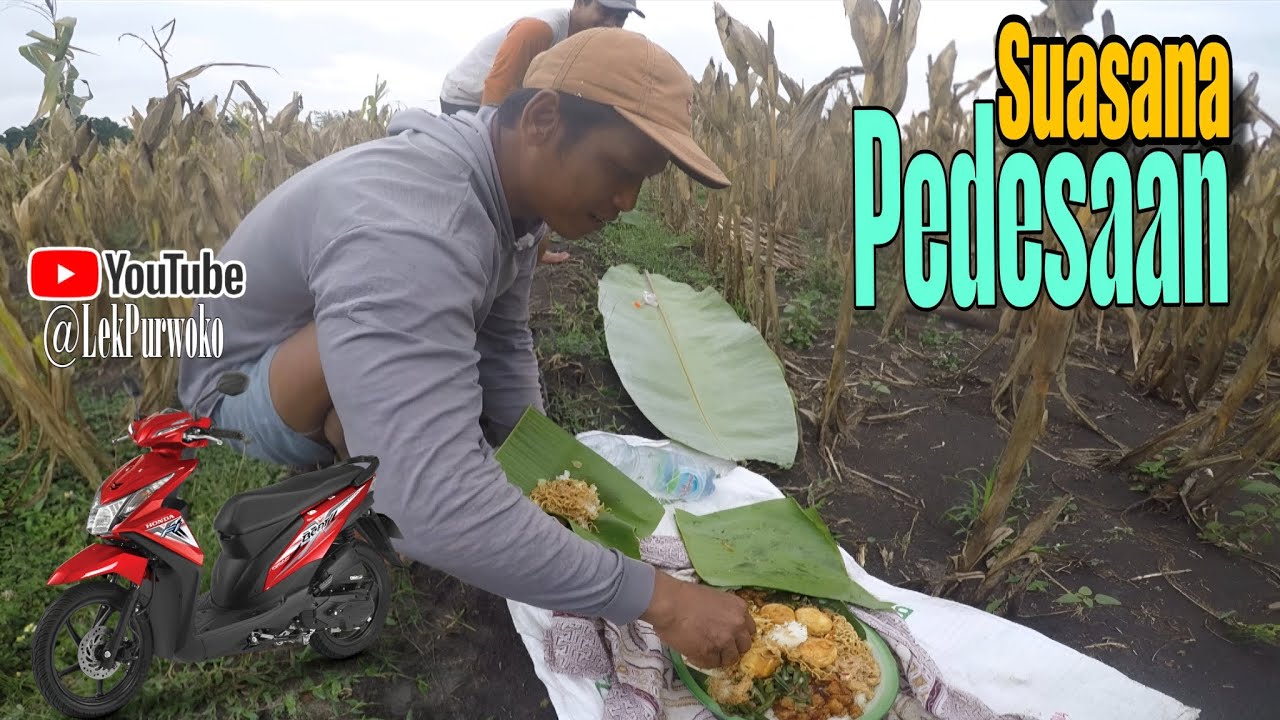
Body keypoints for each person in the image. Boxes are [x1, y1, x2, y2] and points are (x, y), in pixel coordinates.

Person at [177, 27, 756, 671]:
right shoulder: (418, 219)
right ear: (542, 119)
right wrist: (663, 602)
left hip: (321, 345)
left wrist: (544, 474)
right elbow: (434, 502)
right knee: (416, 471)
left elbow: (504, 340)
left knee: (447, 376)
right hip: (238, 390)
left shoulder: (513, 201)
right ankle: (355, 507)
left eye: (642, 181)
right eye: (620, 169)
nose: (627, 201)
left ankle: (377, 451)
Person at [439, 0, 645, 264]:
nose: (612, 26)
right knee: (486, 182)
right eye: (605, 13)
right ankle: (470, 251)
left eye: (621, 19)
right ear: (580, 3)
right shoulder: (538, 29)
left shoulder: (584, 46)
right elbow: (496, 91)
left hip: (515, 105)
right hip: (469, 97)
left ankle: (530, 249)